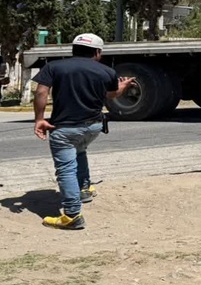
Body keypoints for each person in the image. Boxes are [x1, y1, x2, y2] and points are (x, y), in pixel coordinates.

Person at [33, 32, 135, 230]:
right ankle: (84, 189)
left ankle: (72, 214)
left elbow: (41, 92)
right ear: (97, 52)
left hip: (64, 128)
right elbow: (111, 95)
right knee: (80, 151)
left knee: (66, 168)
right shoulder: (106, 71)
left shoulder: (54, 67)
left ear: (73, 49)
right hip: (94, 126)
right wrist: (122, 87)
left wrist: (39, 119)